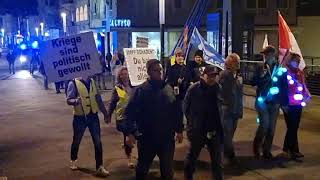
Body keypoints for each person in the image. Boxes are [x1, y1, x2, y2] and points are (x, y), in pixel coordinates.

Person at [125, 59, 184, 180]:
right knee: (142, 170)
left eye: (160, 70)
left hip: (166, 138)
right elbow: (130, 113)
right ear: (149, 72)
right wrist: (130, 132)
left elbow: (176, 110)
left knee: (167, 171)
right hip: (147, 138)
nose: (159, 72)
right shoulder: (140, 91)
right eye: (156, 70)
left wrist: (179, 129)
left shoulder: (168, 89)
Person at [183, 65, 224, 180]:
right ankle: (188, 176)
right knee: (192, 158)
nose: (212, 78)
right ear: (203, 75)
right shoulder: (194, 89)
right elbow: (185, 108)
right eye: (210, 76)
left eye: (215, 76)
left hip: (214, 130)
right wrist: (192, 123)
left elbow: (221, 106)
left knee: (217, 161)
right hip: (198, 130)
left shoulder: (218, 88)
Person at [66, 75, 110, 177]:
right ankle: (73, 159)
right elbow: (68, 100)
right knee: (77, 140)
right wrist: (76, 101)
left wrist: (105, 113)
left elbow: (98, 98)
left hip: (93, 116)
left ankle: (99, 166)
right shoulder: (73, 83)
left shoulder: (92, 81)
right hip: (80, 118)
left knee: (98, 141)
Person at [252, 45, 284, 159]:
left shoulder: (278, 68)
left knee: (271, 128)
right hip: (262, 101)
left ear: (272, 55)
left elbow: (283, 85)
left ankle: (267, 150)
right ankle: (256, 148)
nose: (265, 56)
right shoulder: (260, 67)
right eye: (264, 54)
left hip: (274, 102)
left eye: (267, 54)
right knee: (264, 125)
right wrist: (262, 76)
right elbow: (252, 81)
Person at [281, 52, 311, 160]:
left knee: (294, 127)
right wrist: (283, 104)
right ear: (290, 61)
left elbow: (303, 85)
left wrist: (307, 95)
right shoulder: (285, 73)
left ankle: (291, 149)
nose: (297, 63)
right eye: (296, 61)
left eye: (299, 61)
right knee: (292, 127)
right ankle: (290, 150)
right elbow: (282, 90)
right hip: (288, 104)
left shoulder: (299, 73)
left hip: (298, 104)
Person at [106, 66, 135, 168]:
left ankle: (129, 142)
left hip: (133, 117)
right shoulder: (117, 88)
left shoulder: (134, 86)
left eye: (126, 74)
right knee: (128, 134)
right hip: (122, 118)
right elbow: (112, 103)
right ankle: (129, 158)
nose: (124, 76)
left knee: (132, 134)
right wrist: (108, 115)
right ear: (119, 76)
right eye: (122, 74)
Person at [219, 53, 243, 164]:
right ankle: (230, 155)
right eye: (236, 62)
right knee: (227, 133)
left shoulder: (236, 75)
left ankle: (225, 152)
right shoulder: (225, 75)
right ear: (230, 63)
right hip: (227, 108)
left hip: (235, 108)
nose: (238, 64)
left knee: (231, 132)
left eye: (238, 62)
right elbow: (224, 92)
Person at [166, 48, 188, 116]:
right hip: (173, 89)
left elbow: (188, 78)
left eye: (181, 56)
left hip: (182, 91)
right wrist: (176, 81)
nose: (180, 57)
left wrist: (183, 81)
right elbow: (169, 78)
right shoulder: (171, 66)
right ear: (175, 57)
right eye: (178, 56)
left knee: (181, 109)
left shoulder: (185, 67)